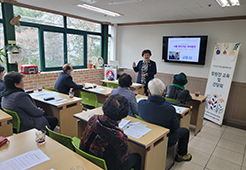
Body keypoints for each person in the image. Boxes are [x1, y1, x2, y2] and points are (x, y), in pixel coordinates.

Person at [80, 94, 141, 170]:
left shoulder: (93, 119)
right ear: (122, 116)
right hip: (108, 166)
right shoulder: (118, 136)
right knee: (137, 157)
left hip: (88, 158)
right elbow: (123, 160)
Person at [138, 78, 192, 162]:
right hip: (164, 139)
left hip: (146, 135)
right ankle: (181, 155)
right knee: (185, 131)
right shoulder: (169, 109)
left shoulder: (141, 104)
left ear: (148, 91)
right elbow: (176, 127)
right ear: (164, 91)